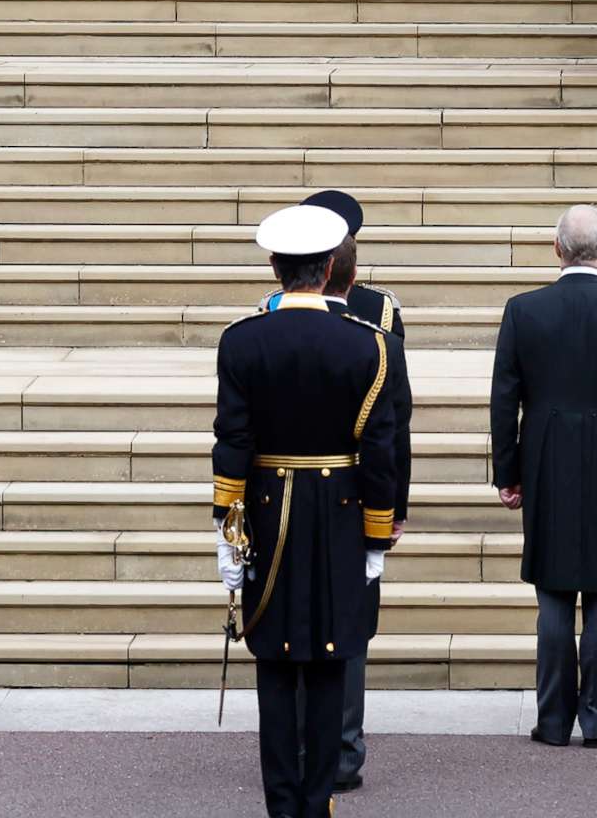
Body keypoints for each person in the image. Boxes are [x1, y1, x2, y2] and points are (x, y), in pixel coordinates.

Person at [212, 202, 401, 818]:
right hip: (341, 516)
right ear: (327, 269)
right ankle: (318, 801)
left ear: (276, 267)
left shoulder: (242, 340)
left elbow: (233, 440)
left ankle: (282, 803)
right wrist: (377, 537)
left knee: (273, 661)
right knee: (328, 657)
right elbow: (379, 449)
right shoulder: (369, 343)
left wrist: (226, 527)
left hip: (266, 515)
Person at [489, 205, 597, 748]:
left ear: (556, 248)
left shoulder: (524, 309)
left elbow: (504, 398)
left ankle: (553, 719)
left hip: (546, 455)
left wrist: (507, 470)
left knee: (554, 592)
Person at [311, 188, 409, 795]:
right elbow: (393, 424)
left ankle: (318, 748)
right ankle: (340, 752)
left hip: (299, 489)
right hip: (351, 489)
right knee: (345, 624)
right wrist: (391, 505)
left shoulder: (270, 309)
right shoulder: (378, 311)